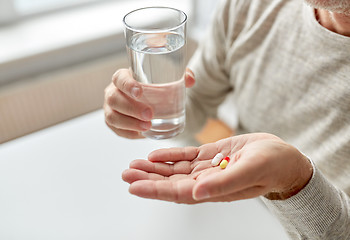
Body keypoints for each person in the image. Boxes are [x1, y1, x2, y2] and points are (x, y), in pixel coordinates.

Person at [104, 0, 350, 239]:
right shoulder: (249, 7)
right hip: (236, 213)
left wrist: (295, 181)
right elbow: (196, 105)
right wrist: (143, 111)